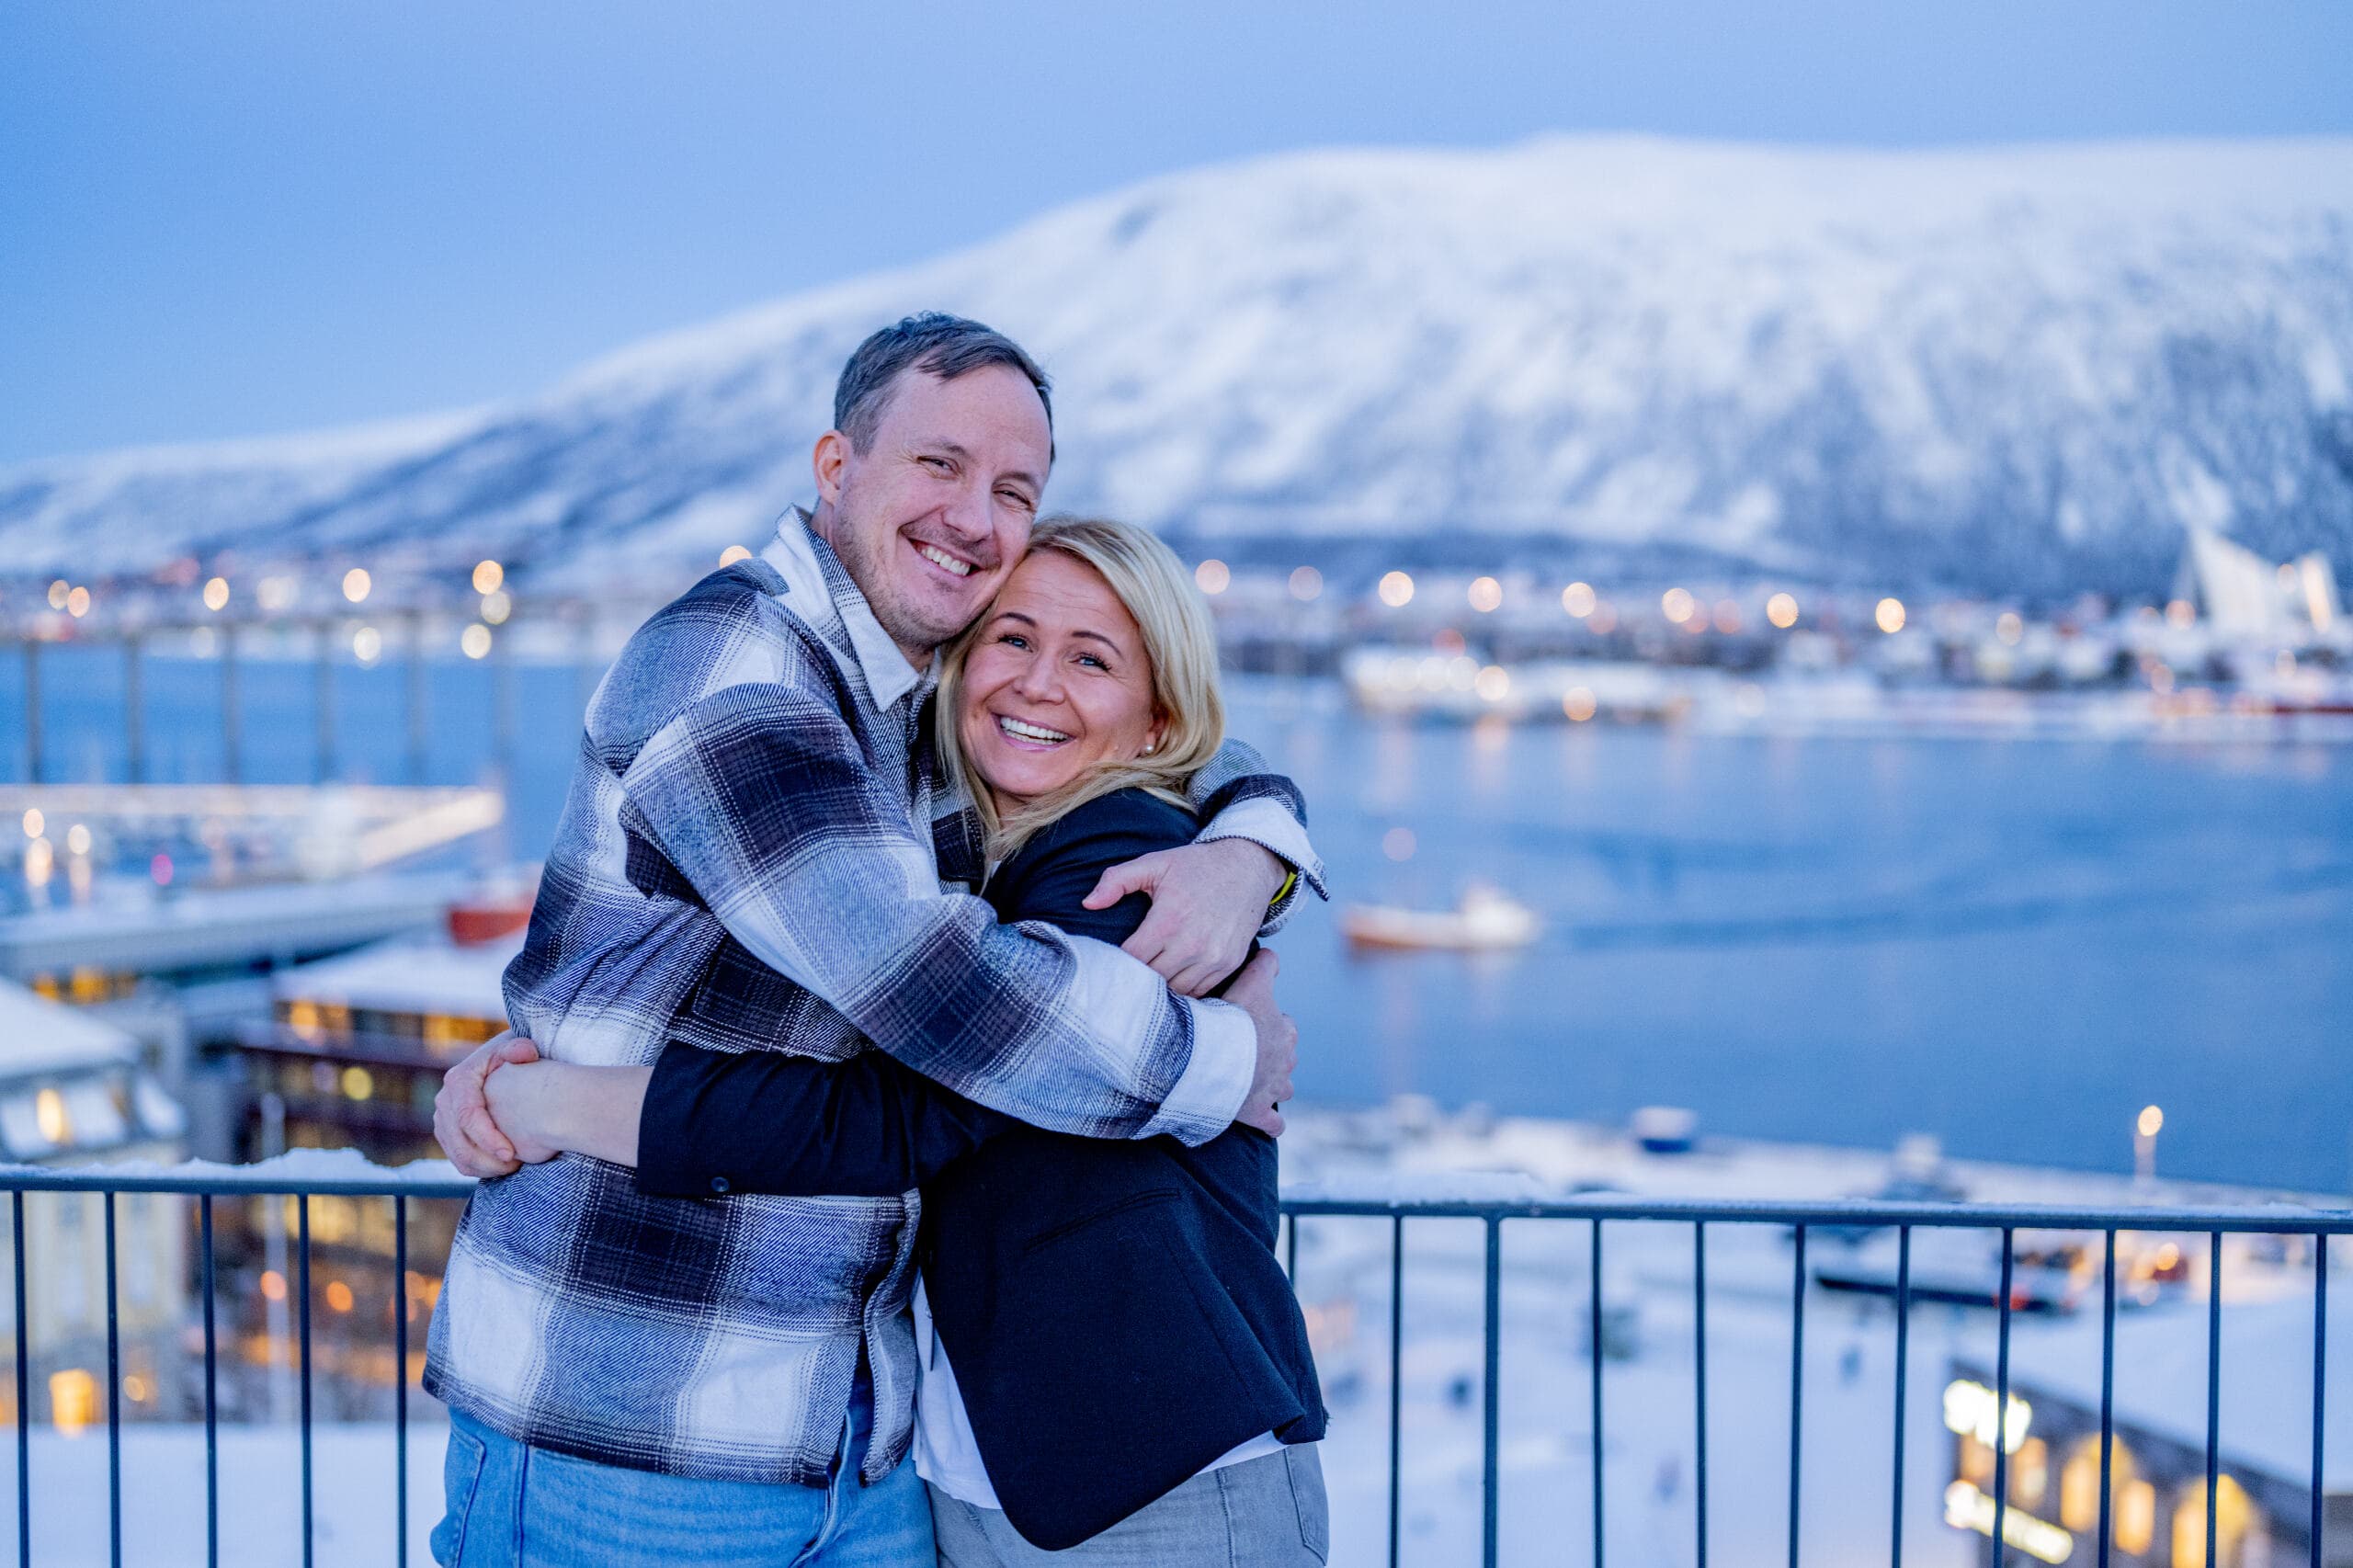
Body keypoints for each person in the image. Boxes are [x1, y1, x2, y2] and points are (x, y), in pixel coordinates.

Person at [425, 316, 1324, 1568]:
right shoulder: (739, 670)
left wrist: (1253, 845)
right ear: (837, 467)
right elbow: (947, 1004)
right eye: (939, 464)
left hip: (864, 1449)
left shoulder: (920, 695)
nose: (974, 516)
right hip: (632, 1439)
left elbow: (1171, 732)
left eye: (1014, 490)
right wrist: (1225, 1057)